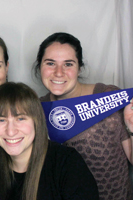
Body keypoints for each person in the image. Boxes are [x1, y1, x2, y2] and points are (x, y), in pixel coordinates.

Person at [34, 32, 133, 199]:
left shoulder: (108, 96)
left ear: (79, 68)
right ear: (40, 67)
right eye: (50, 63)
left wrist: (132, 128)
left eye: (68, 64)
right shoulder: (35, 109)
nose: (59, 72)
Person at [0, 82, 99, 200]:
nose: (11, 131)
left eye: (21, 118)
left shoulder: (67, 163)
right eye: (1, 120)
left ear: (36, 122)